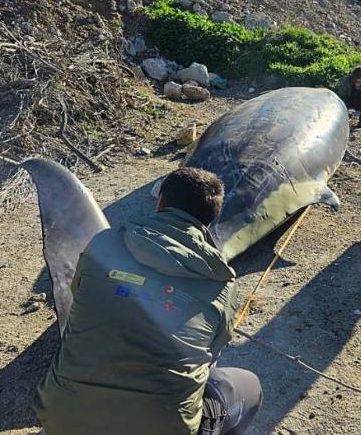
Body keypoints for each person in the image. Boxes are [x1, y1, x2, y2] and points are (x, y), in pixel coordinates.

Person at [33, 167, 262, 435]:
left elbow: (78, 292)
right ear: (210, 219)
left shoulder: (103, 243)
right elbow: (212, 352)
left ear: (160, 201)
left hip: (60, 415)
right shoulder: (221, 280)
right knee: (249, 387)